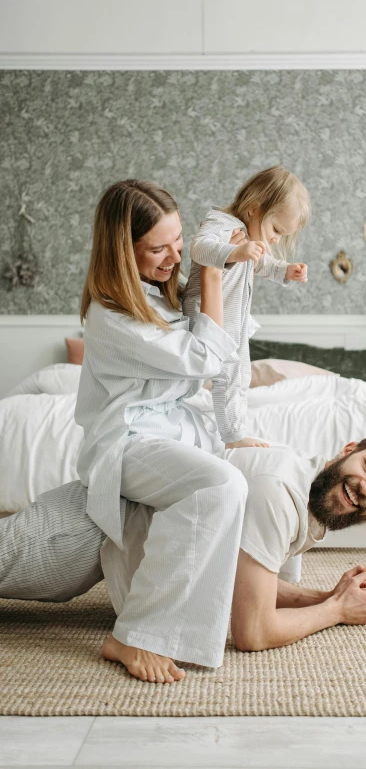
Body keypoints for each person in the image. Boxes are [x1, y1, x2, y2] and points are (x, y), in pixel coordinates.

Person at [0, 431, 366, 680]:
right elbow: (254, 631)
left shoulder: (312, 500)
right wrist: (335, 610)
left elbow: (244, 582)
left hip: (106, 555)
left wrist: (323, 596)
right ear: (348, 450)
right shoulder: (279, 492)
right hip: (87, 529)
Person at [73, 179, 250, 683]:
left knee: (253, 469)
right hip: (126, 442)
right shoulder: (110, 316)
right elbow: (204, 359)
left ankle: (264, 600)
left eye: (179, 242)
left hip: (168, 432)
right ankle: (132, 637)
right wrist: (212, 270)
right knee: (222, 485)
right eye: (158, 248)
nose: (175, 257)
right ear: (123, 252)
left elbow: (220, 346)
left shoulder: (160, 298)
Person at [183, 165, 310, 449]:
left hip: (233, 318)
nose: (276, 239)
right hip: (208, 315)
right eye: (276, 229)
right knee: (227, 373)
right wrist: (233, 252)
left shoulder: (248, 239)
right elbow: (199, 248)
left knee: (241, 374)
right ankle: (233, 436)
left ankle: (234, 430)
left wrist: (285, 270)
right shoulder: (221, 223)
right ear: (254, 209)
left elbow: (262, 262)